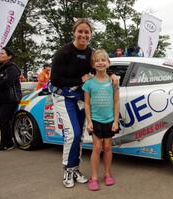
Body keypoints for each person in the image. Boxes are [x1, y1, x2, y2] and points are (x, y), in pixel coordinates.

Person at [50, 18, 118, 188]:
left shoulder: (90, 53)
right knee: (72, 134)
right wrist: (79, 79)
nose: (83, 35)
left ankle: (75, 168)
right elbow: (55, 79)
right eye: (80, 31)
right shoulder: (63, 52)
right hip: (63, 97)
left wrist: (113, 75)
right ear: (74, 32)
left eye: (86, 32)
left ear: (90, 35)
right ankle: (68, 169)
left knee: (78, 135)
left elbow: (101, 65)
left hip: (80, 98)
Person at [83, 49, 120, 191]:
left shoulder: (114, 81)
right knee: (97, 147)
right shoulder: (89, 83)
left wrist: (116, 121)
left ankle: (107, 174)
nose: (100, 62)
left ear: (108, 63)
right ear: (93, 64)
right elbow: (86, 103)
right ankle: (93, 177)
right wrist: (89, 121)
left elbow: (116, 102)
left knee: (107, 147)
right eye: (97, 60)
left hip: (110, 120)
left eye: (103, 60)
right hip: (96, 120)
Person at [0, 47, 22, 151]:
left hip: (11, 99)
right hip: (1, 99)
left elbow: (6, 83)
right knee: (2, 120)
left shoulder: (13, 68)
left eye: (2, 53)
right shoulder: (0, 68)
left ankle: (7, 143)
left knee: (3, 119)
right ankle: (8, 141)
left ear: (9, 56)